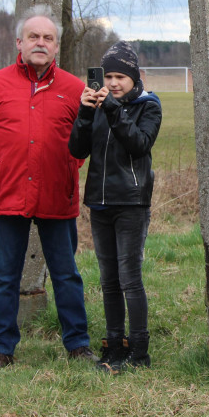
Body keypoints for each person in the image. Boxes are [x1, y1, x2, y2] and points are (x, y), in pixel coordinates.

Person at [0, 6, 96, 372]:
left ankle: (78, 344)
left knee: (66, 273)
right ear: (19, 42)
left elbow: (82, 142)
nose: (40, 43)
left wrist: (65, 168)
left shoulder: (74, 89)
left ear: (57, 46)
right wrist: (1, 167)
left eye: (48, 38)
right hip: (8, 195)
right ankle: (1, 349)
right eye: (34, 37)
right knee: (5, 276)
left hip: (57, 194)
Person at [69, 41, 162, 373]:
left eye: (121, 76)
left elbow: (138, 143)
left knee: (129, 278)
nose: (113, 83)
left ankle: (139, 350)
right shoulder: (97, 106)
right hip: (100, 202)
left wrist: (111, 109)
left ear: (134, 78)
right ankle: (114, 345)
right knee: (108, 279)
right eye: (108, 76)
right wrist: (84, 112)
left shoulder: (148, 107)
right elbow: (77, 150)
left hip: (132, 203)